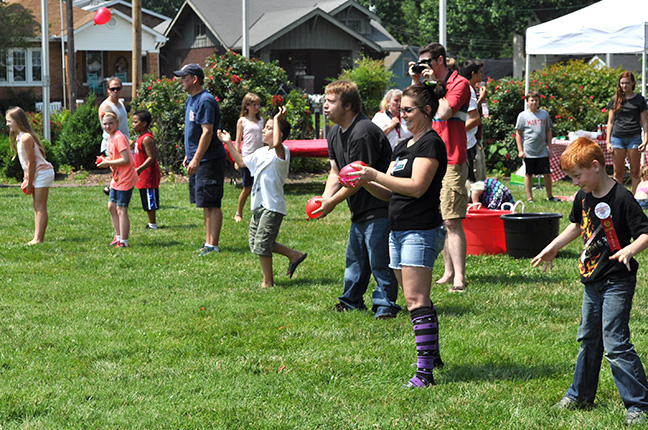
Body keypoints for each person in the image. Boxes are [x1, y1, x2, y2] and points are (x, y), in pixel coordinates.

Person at [532, 137, 648, 426]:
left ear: (595, 167)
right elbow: (575, 225)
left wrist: (630, 250)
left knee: (616, 343)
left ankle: (638, 404)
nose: (574, 183)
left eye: (577, 176)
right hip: (591, 281)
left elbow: (645, 232)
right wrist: (554, 246)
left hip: (617, 281)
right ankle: (580, 395)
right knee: (588, 339)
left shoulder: (622, 198)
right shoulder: (583, 197)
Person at [345, 82, 448, 387]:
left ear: (427, 111)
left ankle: (424, 374)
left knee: (416, 301)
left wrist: (375, 174)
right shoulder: (402, 146)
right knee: (417, 300)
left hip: (421, 230)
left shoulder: (431, 143)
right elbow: (389, 191)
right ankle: (433, 356)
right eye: (400, 109)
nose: (401, 115)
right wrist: (363, 179)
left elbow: (417, 187)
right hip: (398, 231)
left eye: (408, 110)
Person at [314, 80, 401, 319]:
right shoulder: (334, 133)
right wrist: (324, 198)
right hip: (360, 210)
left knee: (379, 261)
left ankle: (385, 307)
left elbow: (357, 179)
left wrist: (333, 203)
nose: (325, 106)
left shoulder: (363, 132)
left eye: (331, 101)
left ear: (349, 105)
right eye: (325, 101)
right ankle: (350, 301)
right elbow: (335, 171)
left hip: (380, 206)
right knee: (355, 260)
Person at [218, 107, 308, 288]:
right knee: (256, 242)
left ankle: (268, 282)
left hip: (272, 205)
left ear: (279, 134)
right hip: (259, 205)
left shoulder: (281, 152)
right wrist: (228, 142)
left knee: (262, 244)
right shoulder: (262, 152)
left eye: (268, 127)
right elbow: (242, 162)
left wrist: (276, 118)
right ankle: (294, 255)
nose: (263, 130)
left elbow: (276, 144)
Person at [410, 42, 471, 293]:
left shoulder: (460, 83)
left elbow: (444, 111)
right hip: (430, 156)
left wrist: (432, 85)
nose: (424, 66)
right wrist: (419, 82)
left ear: (440, 60)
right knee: (439, 219)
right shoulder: (428, 84)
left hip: (453, 158)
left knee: (452, 220)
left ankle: (459, 278)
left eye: (427, 62)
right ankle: (447, 272)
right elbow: (412, 108)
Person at [174, 63, 227, 256]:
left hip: (210, 159)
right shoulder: (191, 99)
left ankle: (214, 245)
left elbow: (207, 132)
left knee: (213, 202)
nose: (181, 81)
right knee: (205, 202)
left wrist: (196, 159)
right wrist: (189, 157)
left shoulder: (205, 100)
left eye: (184, 77)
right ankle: (208, 242)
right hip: (199, 158)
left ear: (194, 79)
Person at [6, 106, 55, 245]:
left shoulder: (26, 137)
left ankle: (38, 239)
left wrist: (29, 180)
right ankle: (37, 237)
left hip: (43, 173)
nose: (7, 124)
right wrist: (26, 177)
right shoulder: (20, 136)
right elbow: (25, 162)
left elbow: (32, 162)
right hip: (36, 174)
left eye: (9, 121)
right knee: (36, 206)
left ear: (18, 120)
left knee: (40, 207)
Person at [96, 111, 138, 248]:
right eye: (105, 124)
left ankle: (124, 241)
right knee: (111, 206)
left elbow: (126, 159)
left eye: (110, 123)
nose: (108, 126)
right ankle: (118, 236)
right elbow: (115, 157)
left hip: (126, 178)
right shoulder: (110, 137)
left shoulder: (119, 137)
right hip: (118, 178)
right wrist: (106, 160)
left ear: (117, 123)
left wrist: (108, 163)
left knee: (121, 208)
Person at [606, 71, 648, 194]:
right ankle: (618, 199)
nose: (624, 86)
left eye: (627, 83)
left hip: (634, 137)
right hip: (617, 138)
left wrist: (646, 140)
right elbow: (610, 121)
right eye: (622, 83)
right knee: (618, 172)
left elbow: (645, 121)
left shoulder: (639, 100)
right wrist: (608, 141)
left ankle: (635, 200)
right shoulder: (615, 99)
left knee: (635, 172)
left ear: (633, 83)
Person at [515, 90, 558, 203]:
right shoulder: (522, 116)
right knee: (529, 174)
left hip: (542, 149)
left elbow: (548, 131)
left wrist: (550, 148)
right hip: (529, 150)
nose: (534, 102)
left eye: (536, 100)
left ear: (539, 101)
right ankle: (530, 198)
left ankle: (550, 196)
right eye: (531, 100)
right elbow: (518, 134)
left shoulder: (544, 114)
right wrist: (520, 150)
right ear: (527, 102)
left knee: (547, 173)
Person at [234, 92, 265, 223]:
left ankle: (260, 211)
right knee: (247, 188)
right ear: (246, 106)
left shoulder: (261, 121)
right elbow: (237, 140)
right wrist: (237, 159)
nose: (257, 107)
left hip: (260, 158)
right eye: (254, 105)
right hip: (247, 158)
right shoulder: (242, 121)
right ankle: (238, 213)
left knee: (261, 186)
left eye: (258, 104)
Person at [98, 77, 129, 195]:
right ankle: (115, 193)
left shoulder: (120, 104)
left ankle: (111, 189)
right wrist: (126, 140)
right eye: (112, 89)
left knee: (123, 171)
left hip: (124, 143)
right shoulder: (106, 106)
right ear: (108, 90)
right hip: (112, 144)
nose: (115, 91)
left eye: (118, 88)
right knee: (120, 170)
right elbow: (109, 129)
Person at [132, 110, 161, 229]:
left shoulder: (147, 139)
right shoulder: (140, 138)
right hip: (142, 175)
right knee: (145, 198)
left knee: (150, 199)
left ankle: (152, 224)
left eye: (135, 122)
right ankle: (150, 223)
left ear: (144, 123)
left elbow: (151, 157)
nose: (133, 124)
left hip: (149, 174)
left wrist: (139, 169)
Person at [460, 60, 485, 183]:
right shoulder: (468, 90)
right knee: (471, 180)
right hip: (467, 142)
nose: (482, 75)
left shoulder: (466, 88)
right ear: (473, 74)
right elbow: (475, 119)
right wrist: (455, 131)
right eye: (480, 72)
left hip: (467, 141)